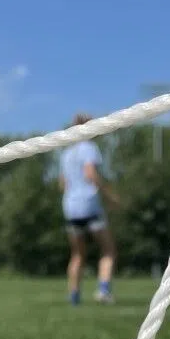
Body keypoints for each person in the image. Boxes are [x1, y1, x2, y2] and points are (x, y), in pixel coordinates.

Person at [57, 113, 117, 305]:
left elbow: (62, 184)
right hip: (89, 206)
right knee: (108, 250)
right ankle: (103, 290)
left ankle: (74, 296)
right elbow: (90, 173)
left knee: (77, 254)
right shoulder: (89, 148)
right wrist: (109, 195)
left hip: (70, 208)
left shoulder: (66, 154)